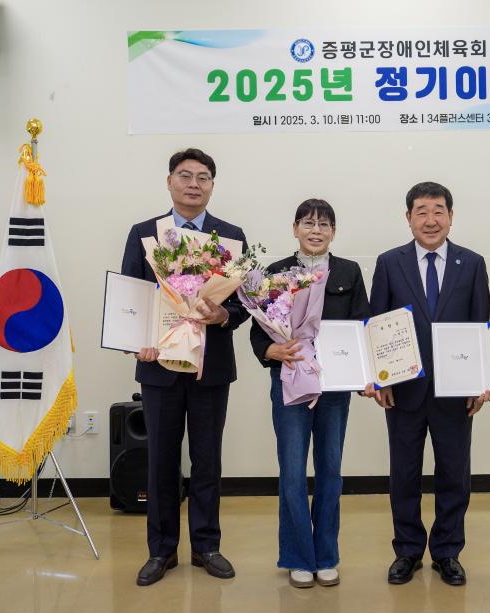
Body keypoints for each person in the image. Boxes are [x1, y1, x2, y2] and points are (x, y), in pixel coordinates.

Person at [121, 148, 250, 586]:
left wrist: (224, 315)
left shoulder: (231, 237)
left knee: (207, 458)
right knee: (160, 460)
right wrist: (135, 342)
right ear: (170, 181)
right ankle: (161, 551)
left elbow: (245, 304)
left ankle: (206, 546)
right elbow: (132, 298)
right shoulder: (145, 234)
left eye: (203, 177)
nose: (194, 184)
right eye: (185, 175)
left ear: (212, 185)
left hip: (210, 367)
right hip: (160, 367)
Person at [366, 182, 490, 586]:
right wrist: (379, 377)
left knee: (454, 474)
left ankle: (447, 551)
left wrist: (479, 381)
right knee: (404, 474)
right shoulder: (389, 262)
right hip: (404, 390)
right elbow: (377, 322)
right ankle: (407, 551)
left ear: (451, 216)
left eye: (439, 210)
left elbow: (480, 325)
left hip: (456, 392)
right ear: (408, 218)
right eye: (422, 211)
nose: (431, 220)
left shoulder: (472, 264)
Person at [250, 199, 370, 589]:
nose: (315, 230)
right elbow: (258, 330)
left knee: (330, 470)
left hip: (334, 386)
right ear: (294, 228)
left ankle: (327, 555)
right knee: (291, 471)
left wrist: (364, 374)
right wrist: (270, 351)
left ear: (333, 231)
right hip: (290, 380)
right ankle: (298, 557)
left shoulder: (349, 271)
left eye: (323, 224)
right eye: (307, 223)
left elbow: (361, 325)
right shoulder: (275, 272)